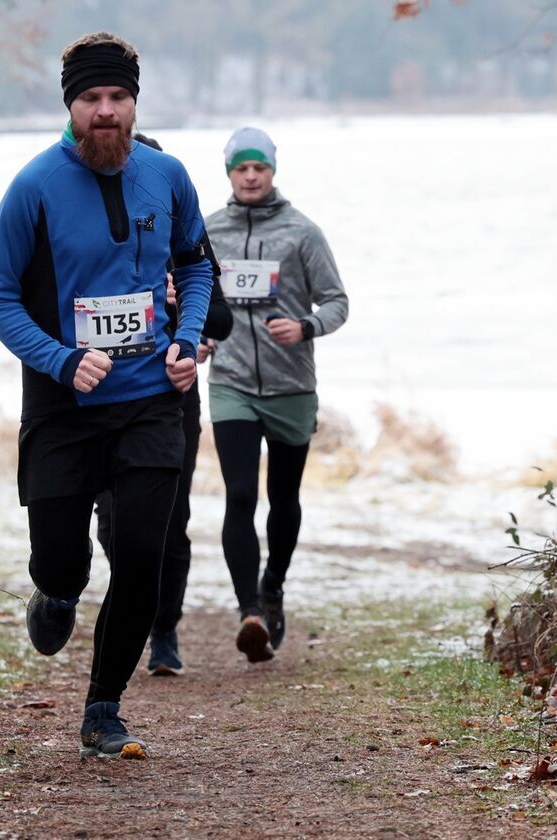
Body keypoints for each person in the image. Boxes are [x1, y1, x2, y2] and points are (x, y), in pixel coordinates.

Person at [0, 32, 214, 757]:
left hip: (150, 402)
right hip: (64, 407)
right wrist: (60, 358)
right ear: (70, 107)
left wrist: (185, 339)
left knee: (141, 554)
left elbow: (195, 266)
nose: (104, 111)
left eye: (117, 97)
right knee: (61, 562)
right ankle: (55, 592)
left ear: (135, 104)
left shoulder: (168, 175)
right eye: (90, 99)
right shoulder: (35, 186)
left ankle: (104, 709)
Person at [205, 127, 349, 663]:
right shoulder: (209, 231)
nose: (250, 177)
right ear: (229, 172)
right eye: (241, 168)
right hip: (231, 383)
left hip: (291, 387)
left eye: (258, 168)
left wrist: (305, 326)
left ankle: (273, 588)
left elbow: (337, 302)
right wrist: (199, 336)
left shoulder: (302, 233)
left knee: (283, 498)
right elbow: (194, 296)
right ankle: (250, 613)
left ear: (272, 171)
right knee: (240, 494)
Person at [94, 134, 232, 677]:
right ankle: (136, 600)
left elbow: (220, 316)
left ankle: (164, 630)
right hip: (102, 397)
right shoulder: (97, 233)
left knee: (170, 522)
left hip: (171, 398)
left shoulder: (179, 230)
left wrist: (182, 314)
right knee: (112, 525)